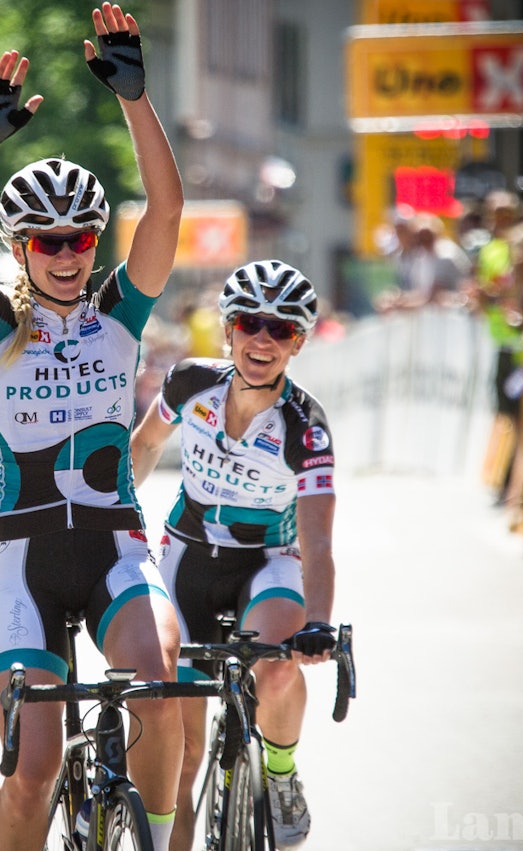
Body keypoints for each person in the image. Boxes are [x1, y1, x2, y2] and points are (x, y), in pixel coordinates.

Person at [0, 5, 185, 851]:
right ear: (22, 247)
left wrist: (135, 100)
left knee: (158, 686)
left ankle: (152, 839)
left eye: (82, 235)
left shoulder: (119, 312)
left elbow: (165, 212)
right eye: (48, 241)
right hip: (27, 560)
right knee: (32, 772)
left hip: (115, 545)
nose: (70, 251)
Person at [130, 260, 338, 850]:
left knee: (276, 666)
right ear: (228, 330)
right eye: (250, 324)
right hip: (187, 554)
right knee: (184, 752)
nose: (263, 340)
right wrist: (110, 521)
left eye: (283, 329)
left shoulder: (306, 426)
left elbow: (318, 541)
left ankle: (280, 773)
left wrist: (318, 622)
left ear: (299, 342)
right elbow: (144, 446)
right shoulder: (190, 383)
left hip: (266, 559)